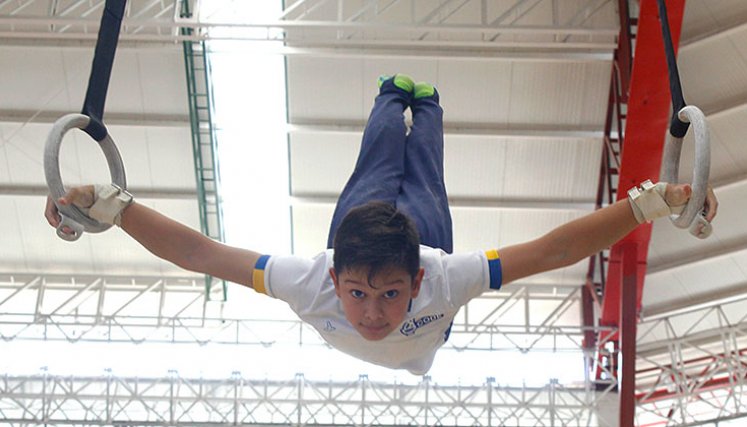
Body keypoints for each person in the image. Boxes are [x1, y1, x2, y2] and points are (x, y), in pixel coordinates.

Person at [45, 74, 718, 375]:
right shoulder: (341, 281)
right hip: (389, 245)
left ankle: (396, 99)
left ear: (414, 280)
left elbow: (551, 249)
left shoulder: (352, 282)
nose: (372, 312)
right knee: (413, 173)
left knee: (387, 174)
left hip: (394, 240)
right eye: (361, 293)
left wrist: (113, 204)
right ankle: (416, 102)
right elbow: (199, 252)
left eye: (389, 294)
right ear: (337, 278)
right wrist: (646, 201)